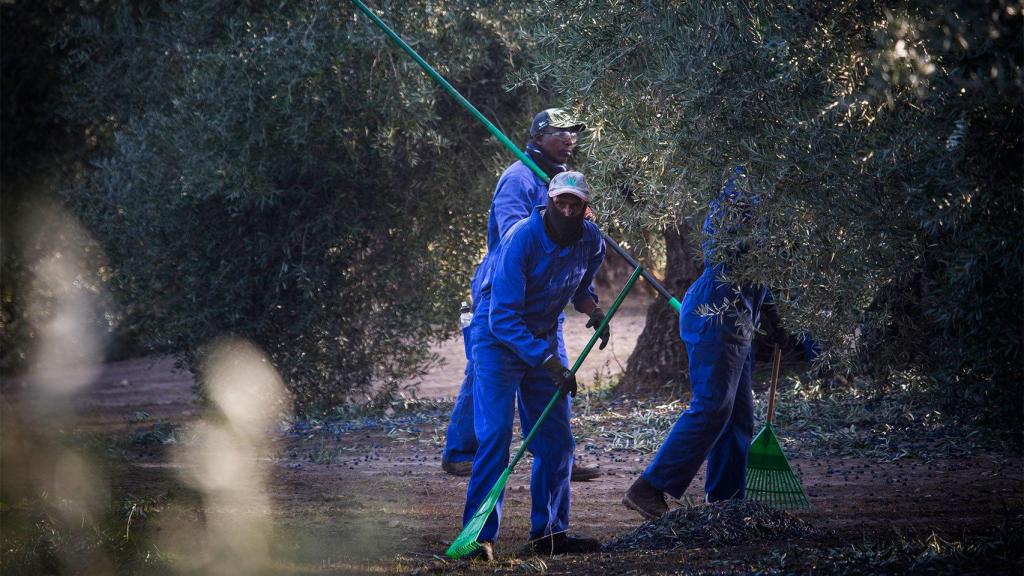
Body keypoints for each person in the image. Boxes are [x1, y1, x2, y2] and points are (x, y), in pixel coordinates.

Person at [442, 109, 603, 483]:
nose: (569, 139)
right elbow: (516, 235)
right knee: (487, 369)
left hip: (546, 302)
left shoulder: (562, 181)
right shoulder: (518, 178)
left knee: (551, 374)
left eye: (573, 133)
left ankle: (555, 451)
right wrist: (559, 220)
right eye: (560, 131)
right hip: (501, 291)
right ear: (538, 135)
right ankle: (461, 452)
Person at [622, 167, 785, 519]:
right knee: (712, 406)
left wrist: (775, 319)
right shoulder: (736, 191)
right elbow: (722, 253)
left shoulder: (770, 196)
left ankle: (727, 503)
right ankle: (649, 487)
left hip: (739, 320)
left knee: (738, 417)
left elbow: (763, 273)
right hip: (715, 314)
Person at [461, 171, 606, 561]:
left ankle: (550, 535)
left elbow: (580, 286)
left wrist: (594, 311)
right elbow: (503, 318)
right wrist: (549, 362)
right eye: (562, 202)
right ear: (549, 200)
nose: (568, 209)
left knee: (557, 443)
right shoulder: (521, 238)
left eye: (575, 204)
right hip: (497, 340)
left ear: (584, 207)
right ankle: (477, 537)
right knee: (494, 438)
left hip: (540, 338)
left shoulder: (592, 239)